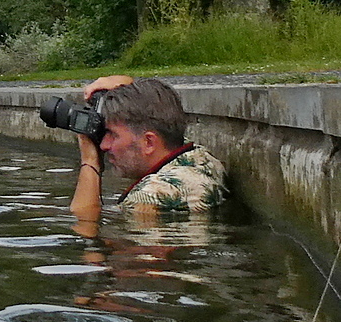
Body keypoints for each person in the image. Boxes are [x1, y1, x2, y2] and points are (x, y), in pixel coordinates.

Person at [68, 74, 228, 229]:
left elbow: (86, 229)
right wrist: (125, 84)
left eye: (112, 134)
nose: (103, 145)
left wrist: (90, 162)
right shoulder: (201, 158)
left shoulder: (148, 197)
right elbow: (154, 108)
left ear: (149, 142)